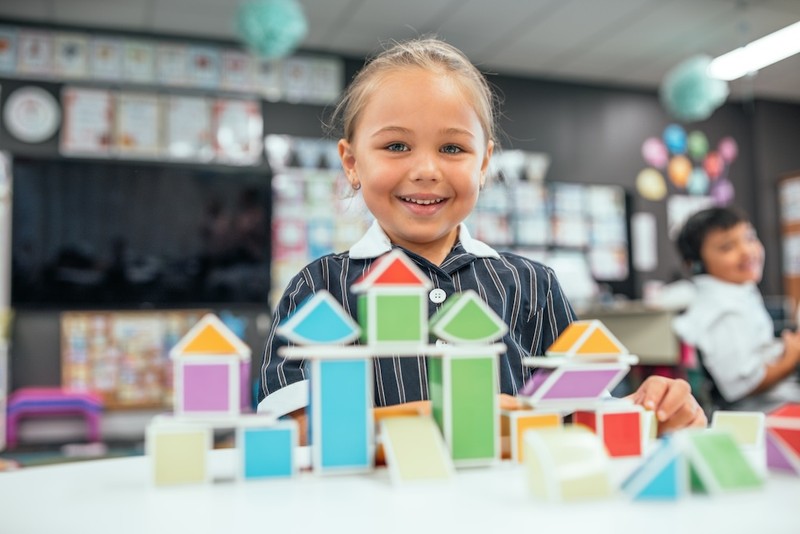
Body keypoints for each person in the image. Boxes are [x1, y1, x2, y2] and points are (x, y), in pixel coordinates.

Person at [259, 37, 705, 440]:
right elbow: (298, 429)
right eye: (396, 146)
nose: (426, 170)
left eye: (452, 148)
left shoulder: (533, 285)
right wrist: (461, 415)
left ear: (484, 162)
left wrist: (655, 411)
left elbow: (583, 416)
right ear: (352, 162)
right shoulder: (319, 288)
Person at [673, 206, 800, 412]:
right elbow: (742, 387)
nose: (747, 251)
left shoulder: (736, 291)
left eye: (750, 238)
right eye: (727, 247)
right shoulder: (724, 311)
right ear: (697, 264)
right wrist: (791, 358)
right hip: (761, 415)